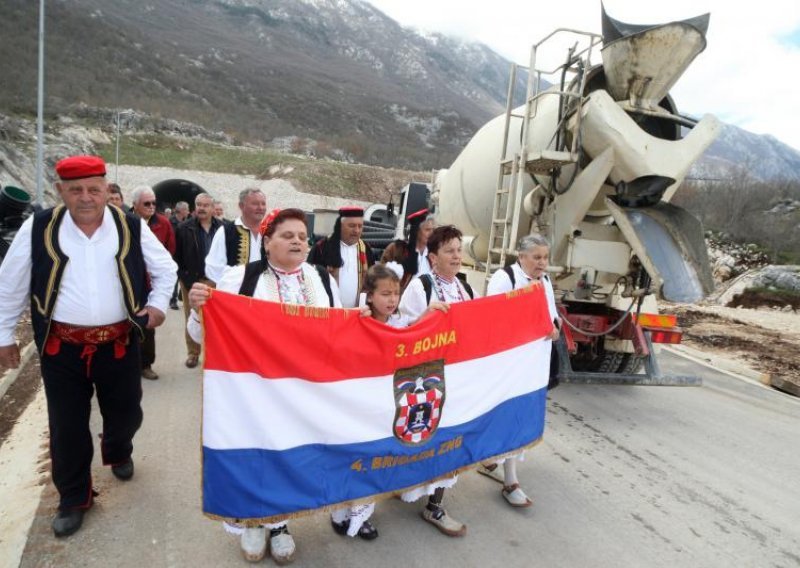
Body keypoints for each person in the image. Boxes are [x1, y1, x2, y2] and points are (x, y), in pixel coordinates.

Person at [0, 155, 176, 538]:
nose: (85, 198)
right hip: (61, 348)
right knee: (67, 427)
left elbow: (166, 269)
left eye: (93, 189)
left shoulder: (129, 226)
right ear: (60, 190)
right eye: (75, 190)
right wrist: (4, 337)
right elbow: (9, 285)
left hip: (118, 343)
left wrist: (158, 306)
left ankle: (117, 448)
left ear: (105, 189)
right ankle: (74, 498)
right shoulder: (39, 227)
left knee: (127, 413)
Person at [187, 208, 341, 564]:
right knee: (256, 454)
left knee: (292, 455)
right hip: (253, 392)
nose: (298, 242)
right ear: (267, 242)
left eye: (303, 237)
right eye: (288, 236)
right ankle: (254, 520)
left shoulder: (322, 278)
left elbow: (339, 333)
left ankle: (281, 523)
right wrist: (199, 309)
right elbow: (201, 335)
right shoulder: (240, 278)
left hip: (305, 391)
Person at [397, 224, 477, 537]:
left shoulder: (466, 289)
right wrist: (425, 317)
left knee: (449, 441)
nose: (457, 256)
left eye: (459, 250)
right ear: (433, 257)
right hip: (424, 380)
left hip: (457, 378)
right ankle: (405, 485)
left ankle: (435, 504)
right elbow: (402, 330)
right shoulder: (421, 286)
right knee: (419, 435)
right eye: (449, 251)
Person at [484, 234, 561, 508]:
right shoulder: (504, 279)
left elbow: (551, 315)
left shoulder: (546, 282)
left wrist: (554, 329)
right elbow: (492, 319)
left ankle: (509, 477)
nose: (542, 263)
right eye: (537, 257)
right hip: (507, 364)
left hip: (532, 366)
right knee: (501, 415)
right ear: (522, 257)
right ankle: (502, 471)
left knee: (518, 417)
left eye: (545, 257)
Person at [131, 185, 176, 381]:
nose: (151, 207)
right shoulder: (126, 222)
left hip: (152, 283)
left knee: (147, 326)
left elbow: (170, 249)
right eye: (146, 203)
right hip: (131, 280)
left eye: (153, 203)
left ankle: (146, 364)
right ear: (135, 205)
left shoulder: (163, 223)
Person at [174, 193, 222, 368]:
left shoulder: (223, 228)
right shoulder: (184, 228)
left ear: (212, 208)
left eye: (205, 205)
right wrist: (186, 279)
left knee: (217, 319)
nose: (201, 208)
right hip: (192, 281)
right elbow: (176, 257)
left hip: (216, 282)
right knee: (191, 316)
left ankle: (215, 353)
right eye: (198, 204)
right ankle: (193, 353)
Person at [307, 206, 374, 308]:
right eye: (352, 226)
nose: (356, 230)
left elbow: (372, 281)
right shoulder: (322, 247)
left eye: (360, 226)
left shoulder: (366, 249)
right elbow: (309, 279)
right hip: (328, 310)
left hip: (357, 313)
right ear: (340, 225)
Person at [204, 188, 266, 284]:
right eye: (255, 204)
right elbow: (213, 268)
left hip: (265, 294)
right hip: (236, 293)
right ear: (241, 206)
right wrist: (240, 279)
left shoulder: (270, 232)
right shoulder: (226, 232)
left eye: (263, 204)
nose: (261, 207)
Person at [380, 208, 434, 290]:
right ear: (416, 231)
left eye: (433, 230)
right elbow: (381, 274)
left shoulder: (433, 253)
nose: (431, 233)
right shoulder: (397, 249)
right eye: (427, 230)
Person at [168, 201, 191, 310]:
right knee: (174, 278)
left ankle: (181, 295)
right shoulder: (170, 222)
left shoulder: (188, 222)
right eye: (186, 209)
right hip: (173, 254)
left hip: (185, 254)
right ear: (181, 210)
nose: (188, 211)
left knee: (184, 276)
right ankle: (173, 300)